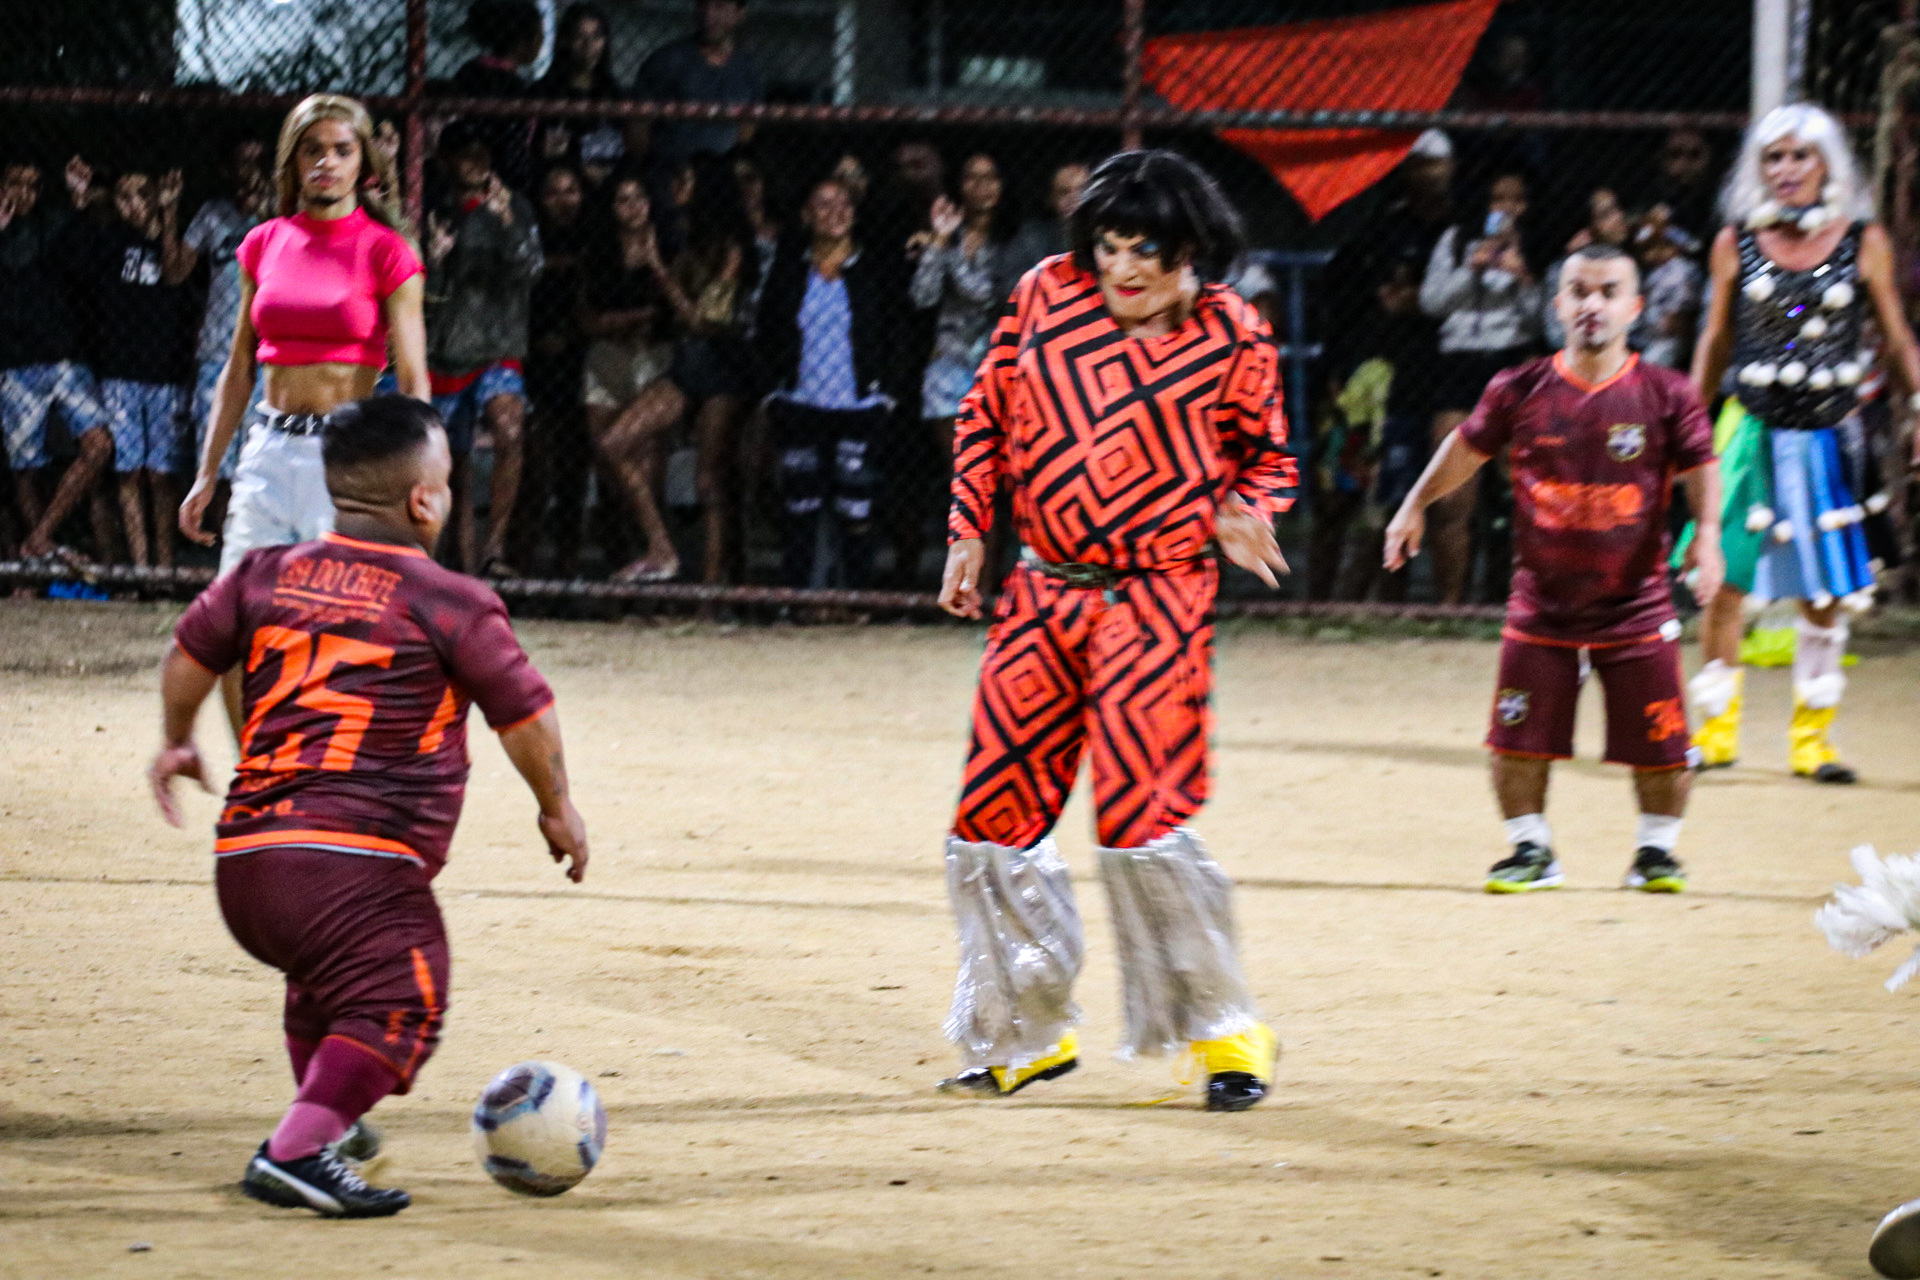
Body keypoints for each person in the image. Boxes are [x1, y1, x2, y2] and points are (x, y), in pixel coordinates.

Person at [148, 393, 587, 1218]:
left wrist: (177, 739)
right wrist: (556, 808)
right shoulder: (449, 598)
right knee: (403, 990)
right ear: (425, 499)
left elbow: (189, 650)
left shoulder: (263, 571)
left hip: (247, 861)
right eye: (449, 480)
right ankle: (298, 1150)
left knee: (325, 982)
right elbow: (527, 716)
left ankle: (323, 1123)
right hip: (352, 862)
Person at [934, 150, 1293, 1109]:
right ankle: (1024, 1032)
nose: (1123, 267)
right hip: (1041, 589)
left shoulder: (1233, 334)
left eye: (1147, 249)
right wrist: (971, 528)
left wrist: (1244, 507)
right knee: (992, 817)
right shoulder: (1045, 296)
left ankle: (1226, 1035)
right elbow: (982, 417)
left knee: (1140, 823)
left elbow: (1268, 456)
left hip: (1157, 598)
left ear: (1192, 253)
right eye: (1108, 245)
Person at [1384, 244, 1723, 894]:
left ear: (1635, 306)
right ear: (1558, 303)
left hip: (1637, 604)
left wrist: (1707, 538)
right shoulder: (1520, 388)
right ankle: (1531, 849)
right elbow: (1465, 448)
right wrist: (1414, 503)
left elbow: (1700, 471)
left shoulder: (1666, 392)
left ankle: (1656, 852)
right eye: (1579, 291)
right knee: (1515, 738)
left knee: (1664, 740)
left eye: (1608, 291)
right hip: (1541, 606)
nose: (1592, 304)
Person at [179, 93, 428, 732]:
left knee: (340, 635)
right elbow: (238, 366)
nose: (326, 163)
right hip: (266, 450)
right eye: (313, 151)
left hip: (345, 458)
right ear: (292, 163)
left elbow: (413, 380)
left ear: (363, 163)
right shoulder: (262, 244)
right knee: (230, 626)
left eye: (342, 151)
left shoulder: (387, 251)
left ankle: (334, 784)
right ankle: (256, 780)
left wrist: (418, 479)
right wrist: (209, 472)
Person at [1687, 103, 1920, 782]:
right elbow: (1716, 336)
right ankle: (1719, 733)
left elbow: (1897, 334)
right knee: (1725, 582)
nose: (1786, 170)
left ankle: (1812, 743)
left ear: (1826, 164)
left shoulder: (1863, 240)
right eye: (1773, 157)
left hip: (1829, 435)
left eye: (1799, 156)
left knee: (1824, 590)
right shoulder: (1736, 241)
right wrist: (1685, 421)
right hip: (1750, 431)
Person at [754, 175, 902, 588]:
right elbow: (765, 330)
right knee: (801, 504)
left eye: (843, 204)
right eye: (823, 204)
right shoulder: (789, 271)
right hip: (799, 402)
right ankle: (799, 597)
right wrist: (772, 391)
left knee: (856, 508)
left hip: (858, 405)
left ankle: (855, 598)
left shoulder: (871, 269)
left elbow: (893, 329)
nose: (835, 213)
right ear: (805, 215)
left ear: (854, 214)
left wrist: (886, 390)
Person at [1420, 168, 1544, 602]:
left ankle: (1517, 601)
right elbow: (1431, 303)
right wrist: (1469, 271)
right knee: (1452, 499)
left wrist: (1524, 279)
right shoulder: (1455, 242)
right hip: (1458, 365)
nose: (1506, 210)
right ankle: (1449, 605)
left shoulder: (1535, 246)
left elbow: (1542, 322)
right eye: (1498, 199)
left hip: (1508, 362)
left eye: (1515, 200)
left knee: (1520, 496)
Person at [425, 123, 543, 575]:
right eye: (463, 154)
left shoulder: (515, 208)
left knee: (509, 427)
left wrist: (509, 223)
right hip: (448, 351)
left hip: (497, 346)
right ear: (447, 162)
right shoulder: (437, 212)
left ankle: (495, 547)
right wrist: (436, 258)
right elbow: (426, 295)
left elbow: (530, 270)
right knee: (453, 466)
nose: (475, 162)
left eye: (481, 153)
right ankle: (461, 568)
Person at [906, 152, 1016, 587]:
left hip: (997, 369)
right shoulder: (944, 235)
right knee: (965, 481)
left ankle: (988, 582)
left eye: (990, 178)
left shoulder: (1013, 242)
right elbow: (923, 296)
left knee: (999, 483)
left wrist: (944, 252)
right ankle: (966, 585)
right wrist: (939, 243)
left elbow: (986, 294)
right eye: (971, 177)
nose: (981, 187)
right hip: (947, 367)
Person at [77, 168, 195, 569]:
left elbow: (175, 272)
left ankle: (163, 564)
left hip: (164, 372)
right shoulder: (109, 241)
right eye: (124, 196)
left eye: (142, 194)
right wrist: (88, 201)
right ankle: (141, 566)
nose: (134, 204)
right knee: (127, 472)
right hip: (119, 372)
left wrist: (168, 213)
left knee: (162, 475)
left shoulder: (173, 240)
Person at [0, 157, 113, 563]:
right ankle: (38, 555)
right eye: (16, 182)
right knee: (25, 467)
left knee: (98, 446)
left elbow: (86, 265)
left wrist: (79, 201)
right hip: (15, 364)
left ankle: (40, 537)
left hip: (65, 357)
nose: (24, 194)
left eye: (32, 185)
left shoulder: (54, 224)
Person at [579, 170, 690, 583]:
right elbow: (587, 319)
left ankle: (662, 554)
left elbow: (685, 314)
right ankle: (630, 569)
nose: (632, 207)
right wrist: (636, 317)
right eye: (622, 199)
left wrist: (657, 266)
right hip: (605, 363)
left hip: (654, 362)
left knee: (641, 463)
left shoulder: (673, 246)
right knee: (611, 474)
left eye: (639, 197)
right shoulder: (599, 252)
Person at [174, 139, 274, 499]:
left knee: (263, 458)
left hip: (267, 356)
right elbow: (175, 272)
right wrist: (169, 212)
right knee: (214, 462)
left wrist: (264, 213)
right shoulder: (212, 214)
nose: (249, 172)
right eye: (241, 163)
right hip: (217, 351)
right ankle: (222, 548)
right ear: (228, 170)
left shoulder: (283, 213)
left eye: (256, 162)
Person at [516, 162, 593, 577]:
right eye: (553, 192)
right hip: (536, 367)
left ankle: (567, 570)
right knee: (536, 474)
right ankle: (521, 566)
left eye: (571, 190)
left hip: (580, 364)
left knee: (573, 477)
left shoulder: (594, 239)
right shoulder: (528, 241)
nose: (563, 201)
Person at [631, 0, 761, 166]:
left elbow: (747, 127)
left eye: (719, 6)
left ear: (740, 13)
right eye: (702, 5)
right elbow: (637, 127)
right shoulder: (669, 60)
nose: (708, 15)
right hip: (672, 168)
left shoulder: (747, 66)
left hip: (722, 170)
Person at [448, 0, 544, 194]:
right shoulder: (515, 87)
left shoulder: (467, 72)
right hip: (502, 179)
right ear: (523, 40)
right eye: (539, 34)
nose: (542, 41)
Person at [536, 3, 627, 188]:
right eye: (580, 36)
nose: (588, 46)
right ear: (565, 40)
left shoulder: (615, 94)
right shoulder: (545, 92)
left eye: (596, 37)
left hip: (607, 188)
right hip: (559, 187)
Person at [1006, 160, 1091, 274]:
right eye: (1064, 192)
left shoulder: (1109, 231)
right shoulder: (1033, 239)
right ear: (1051, 199)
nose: (1074, 198)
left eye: (1082, 190)